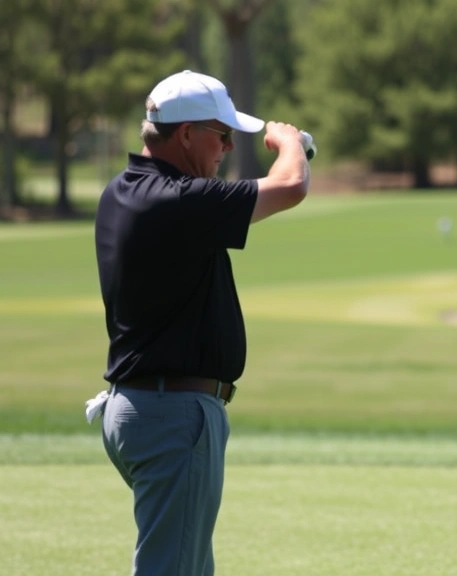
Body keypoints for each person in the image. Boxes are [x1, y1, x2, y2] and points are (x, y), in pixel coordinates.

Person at [92, 69, 310, 575]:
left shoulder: (123, 191)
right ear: (186, 134)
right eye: (222, 134)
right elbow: (292, 184)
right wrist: (289, 141)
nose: (229, 147)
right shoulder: (176, 202)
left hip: (140, 406)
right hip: (172, 415)